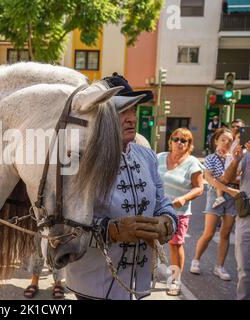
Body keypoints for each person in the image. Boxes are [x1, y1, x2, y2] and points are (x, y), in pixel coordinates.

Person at [64, 75, 178, 300]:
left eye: (133, 111)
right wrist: (111, 230)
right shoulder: (79, 160)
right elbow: (67, 222)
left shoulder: (146, 155)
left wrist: (167, 222)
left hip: (137, 279)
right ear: (103, 118)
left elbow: (162, 202)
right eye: (122, 111)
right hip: (94, 283)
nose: (131, 119)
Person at [157, 128, 204, 296]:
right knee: (150, 242)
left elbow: (199, 188)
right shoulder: (160, 157)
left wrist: (184, 198)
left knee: (175, 245)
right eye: (175, 139)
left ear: (188, 145)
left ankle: (175, 280)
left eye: (183, 141)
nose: (179, 143)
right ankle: (147, 273)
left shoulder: (192, 163)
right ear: (170, 141)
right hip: (157, 210)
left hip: (179, 213)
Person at [190, 128, 239, 281]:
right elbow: (210, 180)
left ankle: (219, 266)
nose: (226, 143)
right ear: (216, 141)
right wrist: (229, 189)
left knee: (225, 234)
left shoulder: (236, 158)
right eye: (223, 139)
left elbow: (239, 179)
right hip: (217, 196)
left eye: (230, 141)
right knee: (209, 233)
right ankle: (196, 260)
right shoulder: (211, 158)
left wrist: (226, 182)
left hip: (233, 198)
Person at [223, 141, 250, 300]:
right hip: (246, 216)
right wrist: (236, 160)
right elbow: (227, 179)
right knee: (244, 269)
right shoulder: (245, 157)